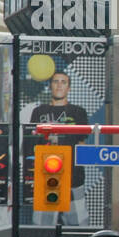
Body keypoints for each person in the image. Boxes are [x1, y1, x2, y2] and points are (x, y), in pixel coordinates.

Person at [27, 67, 91, 224]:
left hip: (73, 177)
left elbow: (82, 143)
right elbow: (31, 143)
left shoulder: (78, 112)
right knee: (44, 227)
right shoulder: (38, 111)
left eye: (63, 82)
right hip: (46, 176)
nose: (59, 85)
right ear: (50, 86)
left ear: (69, 88)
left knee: (78, 226)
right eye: (56, 81)